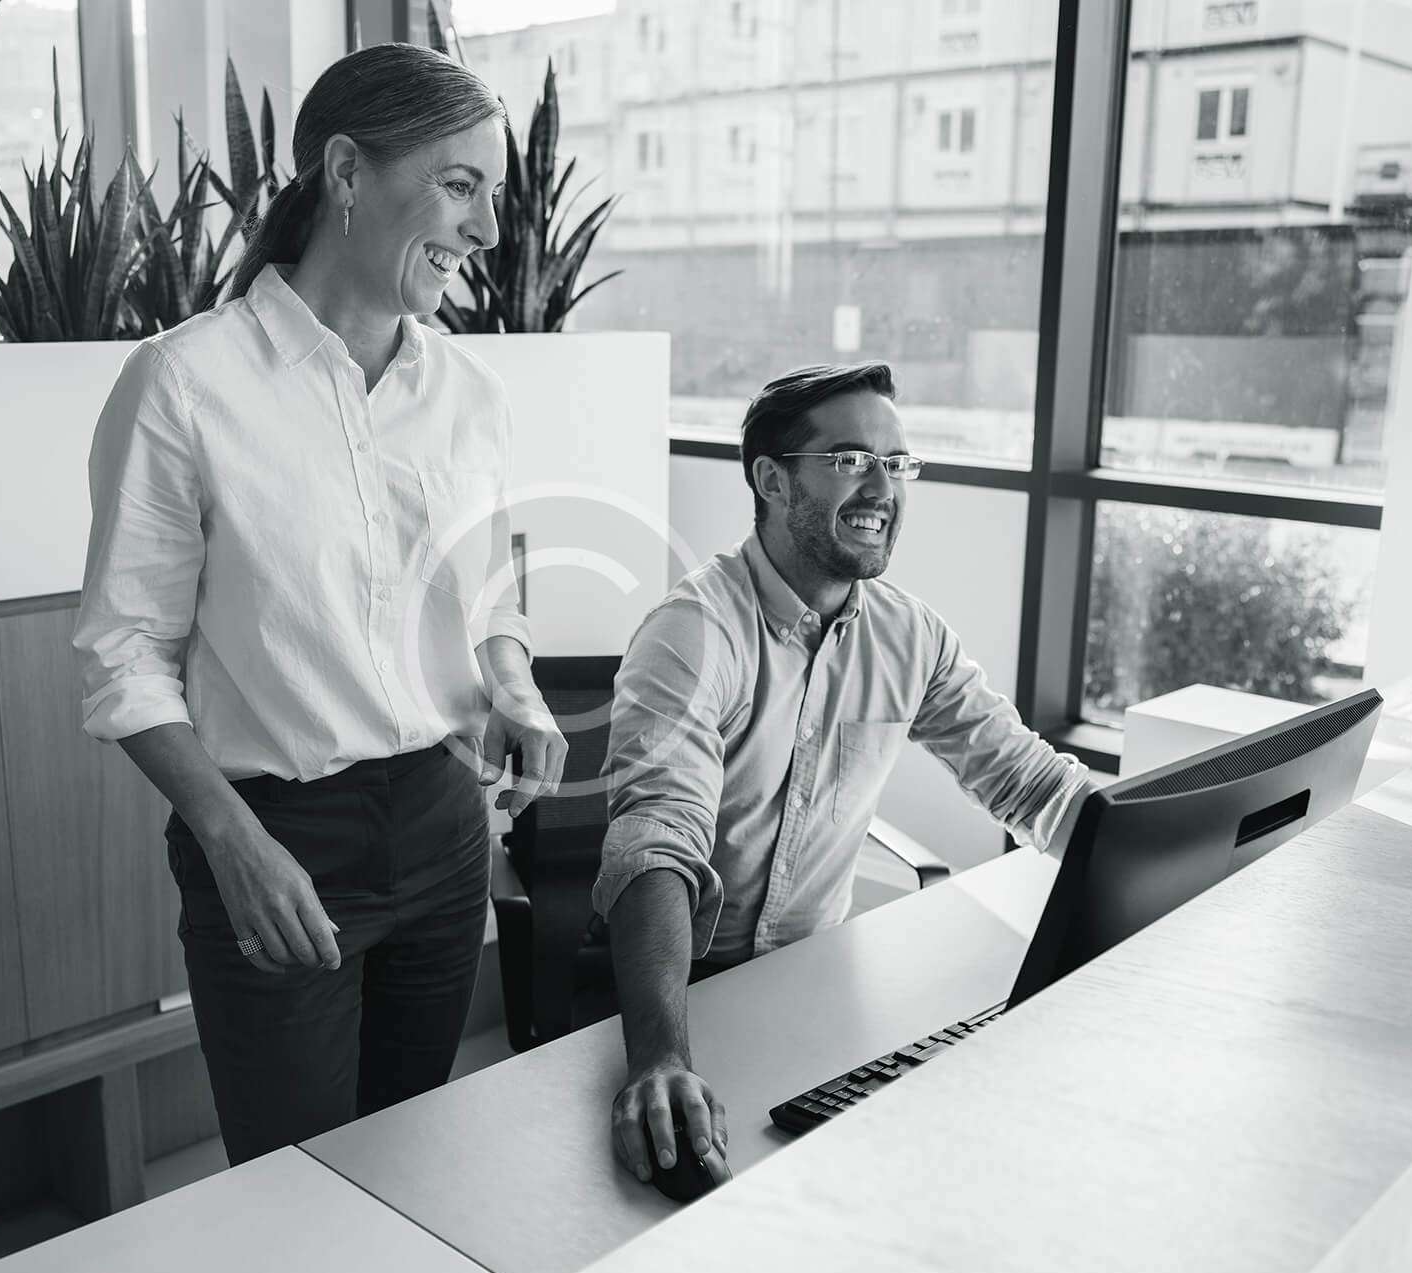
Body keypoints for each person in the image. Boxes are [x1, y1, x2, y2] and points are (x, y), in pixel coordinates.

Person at [73, 43, 567, 1165]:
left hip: (444, 826)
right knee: (293, 1192)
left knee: (410, 1160)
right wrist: (231, 843)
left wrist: (514, 687)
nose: (490, 230)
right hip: (274, 836)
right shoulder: (184, 383)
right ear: (346, 172)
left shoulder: (472, 393)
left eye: (496, 193)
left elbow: (490, 593)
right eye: (461, 185)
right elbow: (122, 655)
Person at [594, 361, 1092, 1189]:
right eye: (850, 459)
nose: (882, 488)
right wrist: (658, 1058)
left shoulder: (910, 636)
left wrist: (1160, 847)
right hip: (692, 993)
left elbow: (1031, 783)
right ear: (772, 480)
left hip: (822, 982)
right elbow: (657, 841)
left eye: (895, 463)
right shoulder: (693, 632)